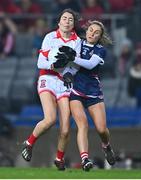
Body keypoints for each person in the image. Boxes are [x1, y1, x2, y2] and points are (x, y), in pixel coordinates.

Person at [21, 8, 81, 171]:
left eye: (70, 19)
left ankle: (59, 159)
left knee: (66, 129)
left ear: (73, 23)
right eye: (64, 18)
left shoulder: (77, 41)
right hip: (47, 78)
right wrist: (55, 65)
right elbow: (41, 62)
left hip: (63, 83)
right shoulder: (50, 37)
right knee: (49, 119)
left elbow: (76, 65)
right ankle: (29, 143)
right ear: (59, 21)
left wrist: (69, 73)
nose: (67, 21)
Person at [55, 20, 116, 171]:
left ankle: (106, 146)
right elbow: (69, 65)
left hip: (93, 92)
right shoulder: (78, 43)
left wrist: (72, 58)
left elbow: (89, 64)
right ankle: (85, 159)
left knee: (102, 129)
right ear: (86, 30)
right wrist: (67, 73)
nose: (92, 34)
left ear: (99, 37)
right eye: (91, 30)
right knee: (82, 124)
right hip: (76, 90)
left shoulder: (101, 50)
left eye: (96, 33)